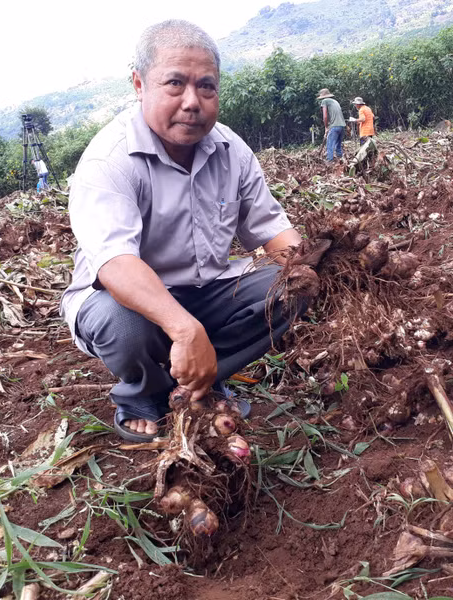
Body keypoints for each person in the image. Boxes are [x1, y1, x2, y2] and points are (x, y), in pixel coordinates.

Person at [60, 20, 304, 441]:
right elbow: (116, 265)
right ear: (139, 84)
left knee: (295, 285)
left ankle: (198, 382)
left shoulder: (232, 150)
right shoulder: (110, 159)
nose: (192, 102)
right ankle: (143, 395)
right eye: (174, 84)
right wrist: (186, 330)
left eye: (206, 87)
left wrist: (317, 269)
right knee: (125, 326)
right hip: (123, 300)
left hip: (204, 291)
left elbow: (271, 229)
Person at [317, 88, 345, 162]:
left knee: (330, 145)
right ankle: (341, 162)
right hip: (342, 126)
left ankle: (329, 162)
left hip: (334, 126)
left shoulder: (324, 101)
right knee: (338, 146)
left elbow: (325, 116)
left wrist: (326, 127)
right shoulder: (335, 101)